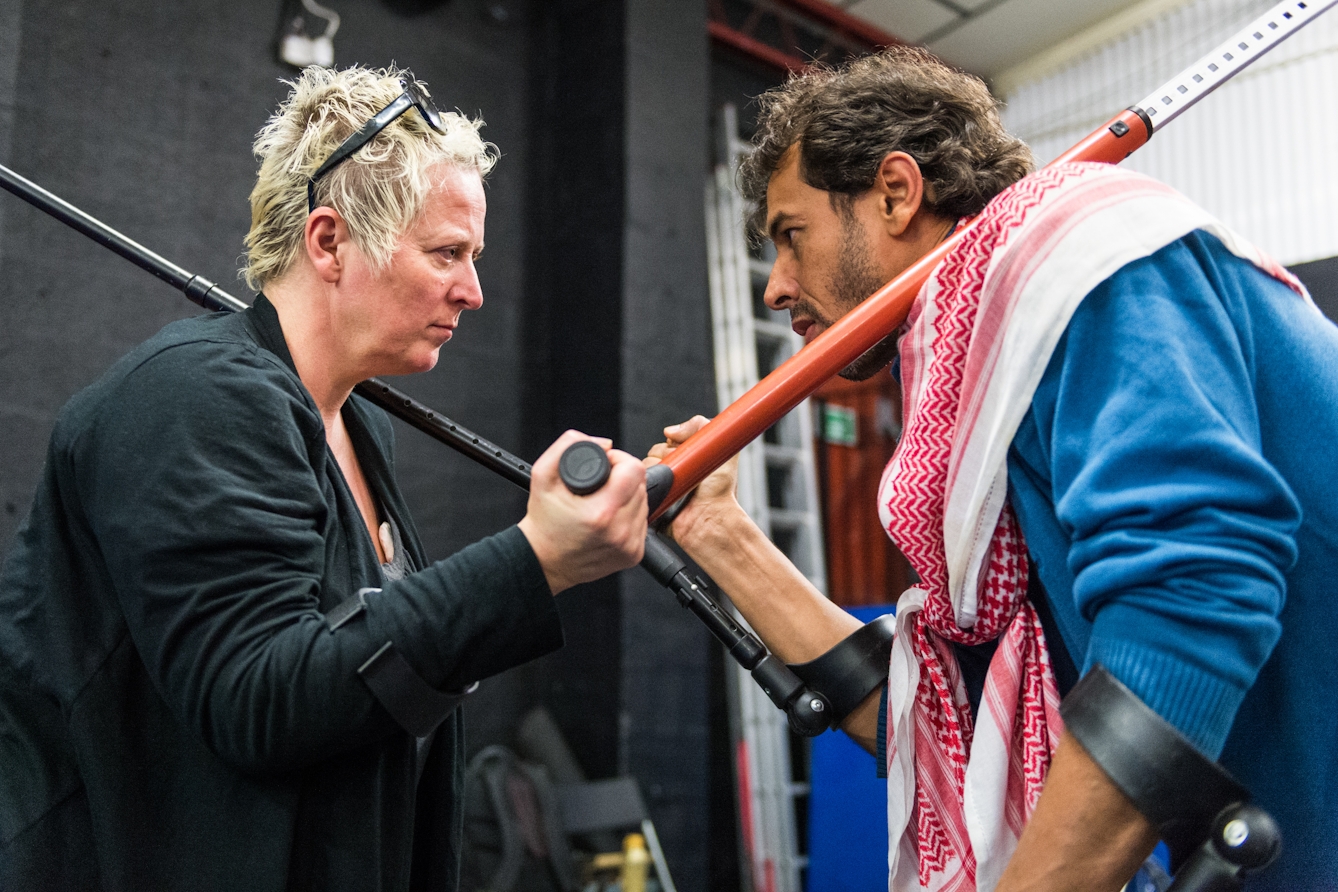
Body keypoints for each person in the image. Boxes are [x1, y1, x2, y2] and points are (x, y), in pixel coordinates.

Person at [649, 47, 1338, 891]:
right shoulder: (981, 377)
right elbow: (955, 720)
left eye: (793, 235)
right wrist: (715, 531)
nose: (776, 286)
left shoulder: (1081, 251)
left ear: (897, 192)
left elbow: (1188, 598)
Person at [0, 65, 648, 891]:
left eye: (474, 256)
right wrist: (533, 564)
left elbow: (362, 686)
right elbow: (259, 698)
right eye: (448, 253)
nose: (474, 291)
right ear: (329, 241)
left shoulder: (355, 422)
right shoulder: (195, 395)